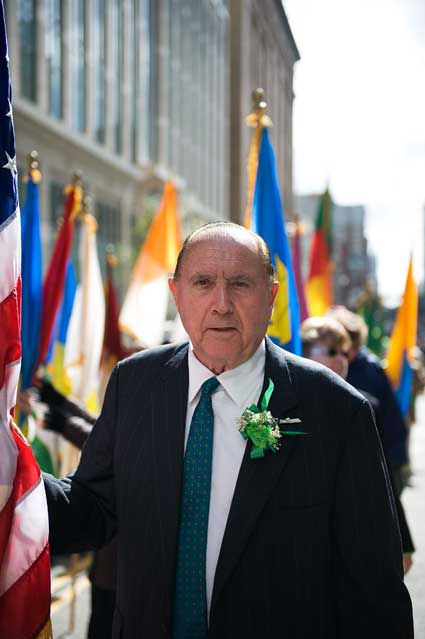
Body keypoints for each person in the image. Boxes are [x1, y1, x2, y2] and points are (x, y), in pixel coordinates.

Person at [43, 222, 413, 639]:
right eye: (203, 283)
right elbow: (91, 506)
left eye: (240, 284)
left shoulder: (337, 411)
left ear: (271, 297)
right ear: (176, 293)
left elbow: (375, 594)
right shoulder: (135, 384)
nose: (221, 304)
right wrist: (15, 476)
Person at [301, 315, 415, 574]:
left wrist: (403, 544)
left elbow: (382, 478)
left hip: (353, 537)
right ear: (303, 353)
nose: (341, 359)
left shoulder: (364, 406)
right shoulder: (280, 406)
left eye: (344, 352)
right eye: (331, 351)